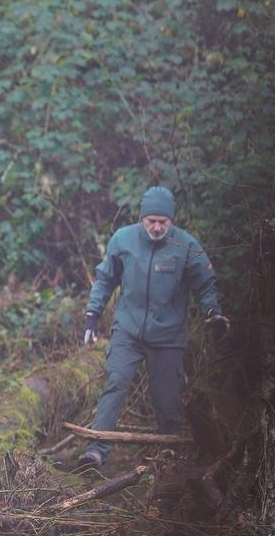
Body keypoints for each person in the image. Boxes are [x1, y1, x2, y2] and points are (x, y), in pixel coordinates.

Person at [78, 185, 228, 471]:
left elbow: (205, 284)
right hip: (128, 331)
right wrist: (92, 314)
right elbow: (105, 279)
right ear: (141, 218)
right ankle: (96, 451)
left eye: (163, 222)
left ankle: (168, 456)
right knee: (116, 383)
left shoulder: (186, 246)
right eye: (152, 221)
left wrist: (213, 313)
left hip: (168, 337)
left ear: (171, 221)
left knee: (167, 398)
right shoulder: (123, 240)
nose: (157, 227)